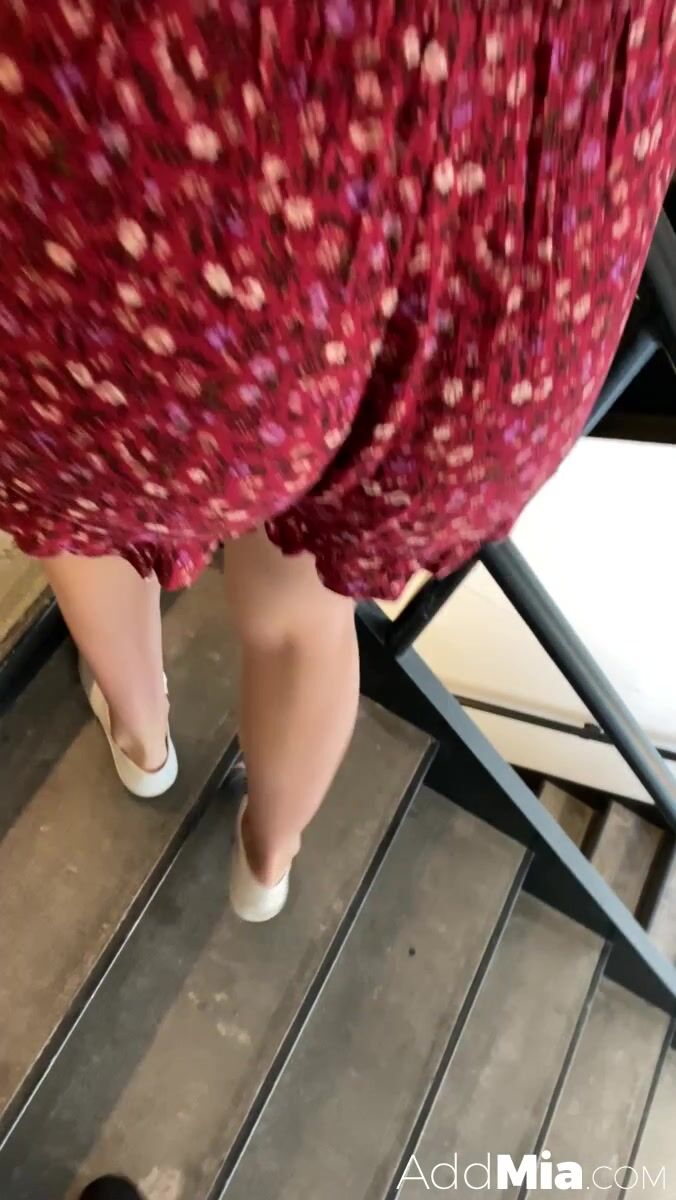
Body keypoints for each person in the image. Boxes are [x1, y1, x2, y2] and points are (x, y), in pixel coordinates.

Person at [0, 2, 674, 931]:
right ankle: (267, 861)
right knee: (304, 621)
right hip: (520, 263)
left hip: (178, 193)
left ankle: (143, 739)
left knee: (95, 524)